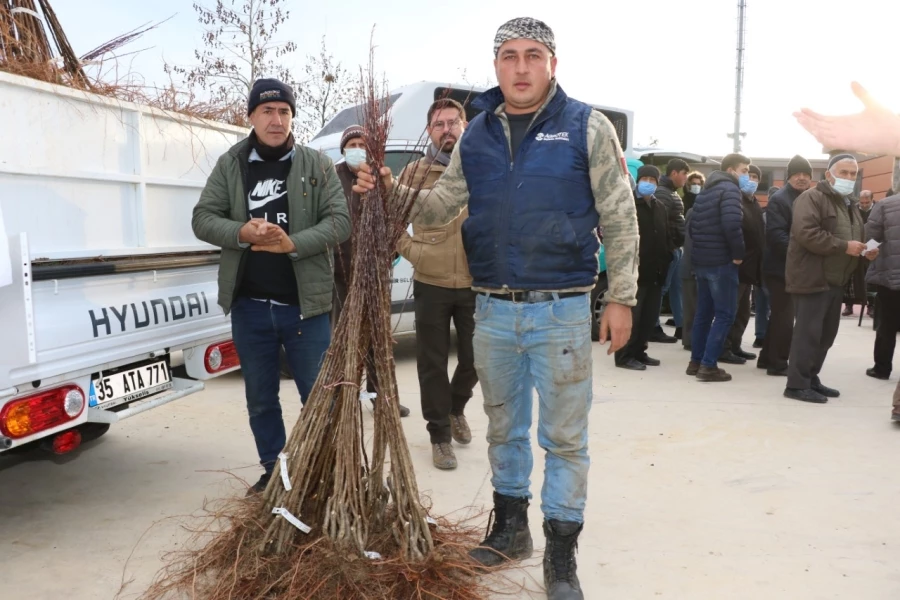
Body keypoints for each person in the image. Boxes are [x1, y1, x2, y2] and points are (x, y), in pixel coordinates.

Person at [354, 17, 639, 599]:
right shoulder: (478, 133)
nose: (521, 67)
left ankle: (561, 554)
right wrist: (389, 186)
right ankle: (510, 530)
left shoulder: (587, 125)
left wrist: (623, 297)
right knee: (503, 429)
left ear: (552, 63)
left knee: (564, 439)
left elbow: (619, 213)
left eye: (533, 55)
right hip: (494, 311)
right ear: (496, 66)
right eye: (509, 56)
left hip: (561, 307)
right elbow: (437, 210)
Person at [191, 79, 351, 494]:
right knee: (261, 400)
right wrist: (242, 231)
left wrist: (291, 243)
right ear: (251, 117)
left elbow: (340, 222)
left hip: (305, 307)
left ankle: (322, 476)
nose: (276, 120)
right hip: (250, 308)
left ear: (292, 117)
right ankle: (275, 474)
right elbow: (203, 218)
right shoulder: (231, 164)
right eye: (267, 111)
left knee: (318, 399)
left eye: (283, 111)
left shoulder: (317, 165)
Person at [396, 98, 477, 469]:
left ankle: (456, 406)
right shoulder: (413, 173)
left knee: (479, 359)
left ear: (465, 124)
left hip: (478, 280)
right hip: (432, 278)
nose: (447, 129)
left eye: (453, 122)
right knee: (432, 362)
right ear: (430, 131)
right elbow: (389, 219)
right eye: (439, 124)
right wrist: (414, 251)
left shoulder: (482, 165)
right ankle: (440, 435)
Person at [783, 154, 878, 403]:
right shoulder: (811, 198)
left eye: (852, 174)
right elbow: (806, 233)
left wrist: (866, 249)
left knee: (826, 335)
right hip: (812, 278)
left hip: (836, 280)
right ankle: (796, 384)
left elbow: (854, 234)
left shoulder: (849, 204)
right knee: (808, 334)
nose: (848, 178)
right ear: (829, 175)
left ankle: (811, 378)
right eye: (843, 173)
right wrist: (843, 246)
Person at [334, 126, 411, 418]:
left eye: (362, 144)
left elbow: (396, 218)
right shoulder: (333, 178)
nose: (357, 148)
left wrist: (389, 253)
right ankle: (345, 397)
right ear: (344, 149)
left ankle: (382, 397)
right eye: (351, 144)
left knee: (378, 337)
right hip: (341, 272)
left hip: (375, 271)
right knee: (344, 336)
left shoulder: (382, 177)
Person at [686, 153, 749, 382]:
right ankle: (708, 365)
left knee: (703, 313)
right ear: (731, 170)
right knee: (724, 314)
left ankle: (695, 361)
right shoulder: (729, 190)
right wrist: (738, 254)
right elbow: (732, 224)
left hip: (702, 261)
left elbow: (692, 227)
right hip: (722, 262)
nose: (746, 176)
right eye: (744, 171)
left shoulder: (706, 191)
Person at [757, 155, 812, 376]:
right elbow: (775, 235)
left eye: (806, 175)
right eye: (797, 174)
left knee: (780, 315)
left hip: (792, 267)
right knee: (785, 317)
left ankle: (766, 357)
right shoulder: (781, 199)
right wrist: (801, 253)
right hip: (780, 268)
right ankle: (778, 363)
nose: (801, 178)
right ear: (788, 177)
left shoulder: (806, 197)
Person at [616, 165, 672, 370]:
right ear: (638, 180)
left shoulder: (660, 207)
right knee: (633, 317)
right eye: (645, 178)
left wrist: (667, 258)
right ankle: (624, 356)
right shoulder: (628, 204)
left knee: (648, 317)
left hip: (656, 271)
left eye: (653, 180)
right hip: (634, 271)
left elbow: (665, 236)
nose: (648, 183)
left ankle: (640, 350)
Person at [721, 164, 765, 364]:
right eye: (749, 174)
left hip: (750, 267)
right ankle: (724, 348)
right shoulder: (735, 200)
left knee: (743, 311)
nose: (752, 180)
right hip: (736, 264)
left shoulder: (754, 202)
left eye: (755, 177)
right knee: (730, 309)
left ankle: (735, 345)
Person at [650, 159, 688, 343]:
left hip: (675, 249)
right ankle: (653, 327)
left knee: (676, 289)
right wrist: (668, 247)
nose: (686, 178)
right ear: (674, 173)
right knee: (662, 289)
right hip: (669, 250)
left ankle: (682, 327)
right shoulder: (664, 193)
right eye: (684, 174)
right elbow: (660, 223)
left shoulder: (670, 193)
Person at [864, 193, 900, 382]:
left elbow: (872, 238)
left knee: (887, 325)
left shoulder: (885, 205)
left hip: (890, 276)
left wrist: (867, 252)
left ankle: (882, 368)